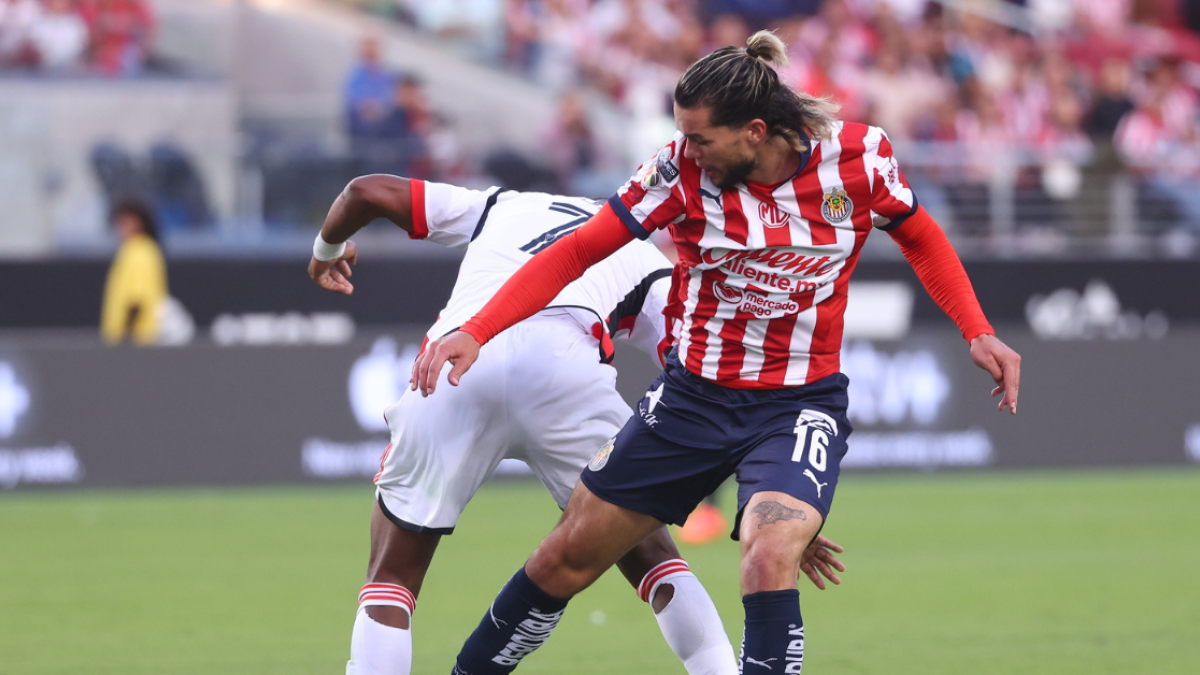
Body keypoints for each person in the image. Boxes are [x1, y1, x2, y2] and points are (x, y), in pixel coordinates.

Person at [413, 31, 1022, 675]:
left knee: (768, 553)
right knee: (562, 560)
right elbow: (574, 253)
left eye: (701, 138)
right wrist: (478, 328)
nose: (687, 149)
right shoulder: (677, 173)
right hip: (690, 402)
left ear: (755, 131)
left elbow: (921, 235)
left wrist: (976, 328)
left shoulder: (861, 160)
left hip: (798, 405)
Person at [306, 174, 849, 675]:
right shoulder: (642, 254)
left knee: (392, 578)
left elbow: (364, 193)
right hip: (566, 374)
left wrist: (326, 252)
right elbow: (711, 390)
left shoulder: (497, 205)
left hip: (459, 362)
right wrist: (774, 495)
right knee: (654, 559)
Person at [100, 199, 166, 345]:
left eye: (124, 222)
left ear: (137, 222)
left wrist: (126, 338)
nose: (119, 228)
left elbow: (137, 299)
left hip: (137, 341)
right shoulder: (132, 250)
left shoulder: (139, 250)